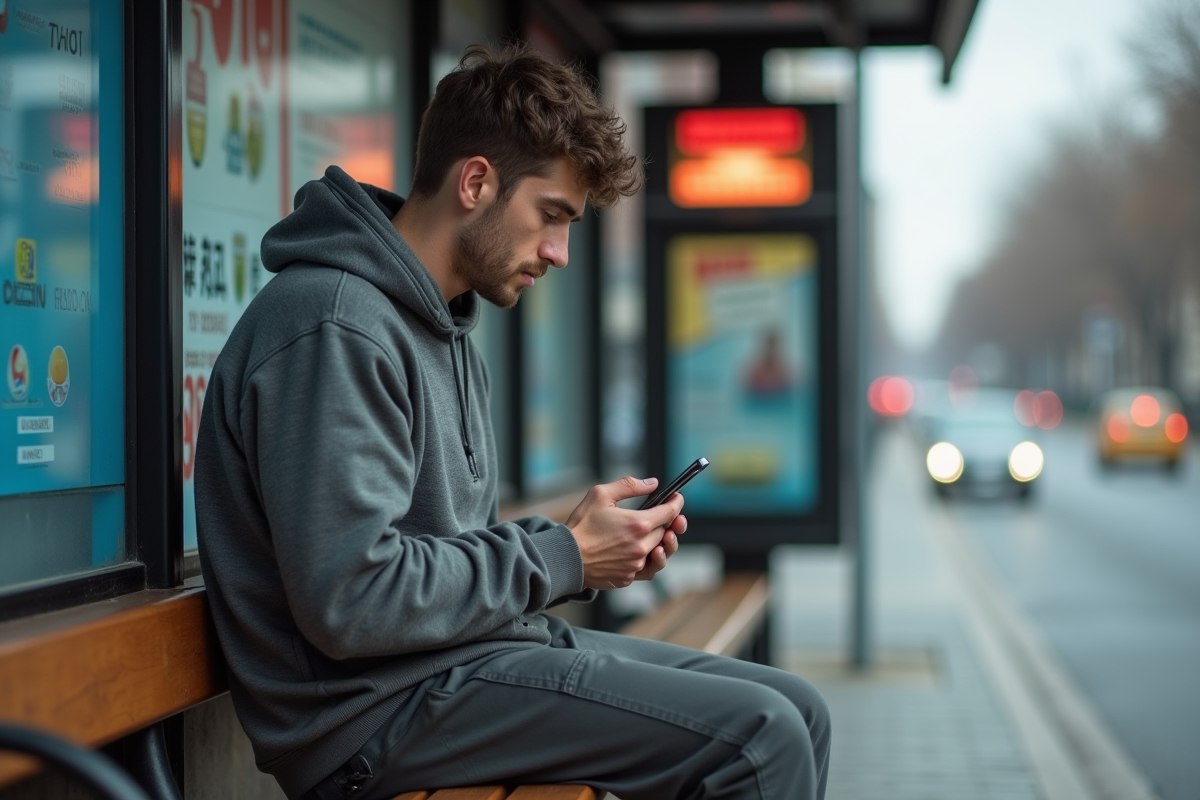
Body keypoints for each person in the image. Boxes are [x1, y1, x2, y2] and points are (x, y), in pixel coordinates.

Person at [195, 43, 830, 800]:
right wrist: (561, 558)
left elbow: (436, 553)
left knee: (802, 708)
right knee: (761, 740)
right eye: (550, 217)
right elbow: (353, 599)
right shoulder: (336, 326)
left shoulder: (442, 326)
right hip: (370, 718)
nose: (559, 253)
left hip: (456, 667)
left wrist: (577, 543)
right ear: (476, 182)